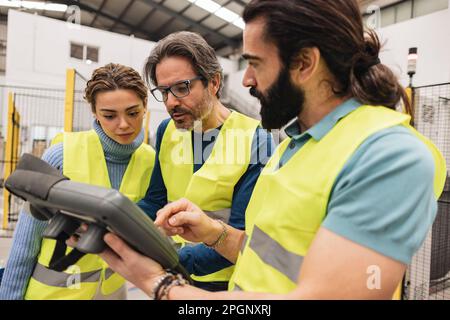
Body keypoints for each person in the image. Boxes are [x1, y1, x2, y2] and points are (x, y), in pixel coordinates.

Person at [97, 0, 447, 300]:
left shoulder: (389, 157)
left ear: (304, 63)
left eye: (256, 63)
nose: (247, 80)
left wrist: (160, 284)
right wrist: (213, 232)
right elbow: (263, 254)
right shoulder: (295, 145)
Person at [0, 63, 156, 300]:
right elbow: (25, 241)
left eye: (132, 113)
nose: (123, 124)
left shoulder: (151, 161)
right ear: (94, 111)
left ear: (145, 106)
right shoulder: (61, 155)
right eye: (109, 115)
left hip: (112, 294)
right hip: (53, 294)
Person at [136, 31, 274, 291]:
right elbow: (154, 201)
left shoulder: (256, 139)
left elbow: (243, 235)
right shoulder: (167, 130)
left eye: (181, 88)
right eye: (163, 91)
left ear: (213, 82)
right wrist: (118, 224)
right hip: (174, 278)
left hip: (223, 286)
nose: (170, 102)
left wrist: (166, 260)